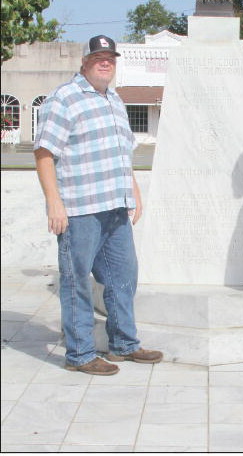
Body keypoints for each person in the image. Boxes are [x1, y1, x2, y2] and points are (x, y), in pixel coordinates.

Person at [34, 35, 163, 375]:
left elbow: (124, 153)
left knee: (123, 277)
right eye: (98, 57)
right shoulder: (64, 98)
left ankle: (123, 343)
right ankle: (79, 354)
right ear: (85, 62)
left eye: (110, 57)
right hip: (80, 210)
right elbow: (45, 153)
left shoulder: (115, 100)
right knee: (76, 280)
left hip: (116, 209)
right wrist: (54, 203)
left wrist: (133, 191)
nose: (105, 62)